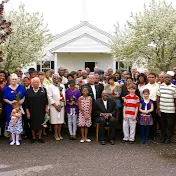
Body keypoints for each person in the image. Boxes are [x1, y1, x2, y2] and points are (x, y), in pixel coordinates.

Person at [25, 77, 48, 143]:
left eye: (37, 82)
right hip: (32, 110)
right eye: (34, 82)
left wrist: (46, 108)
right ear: (32, 83)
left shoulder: (43, 90)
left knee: (41, 123)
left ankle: (40, 137)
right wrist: (27, 112)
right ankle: (34, 137)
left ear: (39, 83)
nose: (35, 83)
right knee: (32, 124)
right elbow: (26, 103)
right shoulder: (28, 91)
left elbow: (46, 100)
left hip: (41, 110)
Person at [3, 73, 25, 138]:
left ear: (17, 80)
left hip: (19, 107)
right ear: (10, 80)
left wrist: (21, 101)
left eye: (15, 79)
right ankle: (11, 137)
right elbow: (4, 98)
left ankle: (19, 136)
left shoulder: (20, 87)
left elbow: (24, 96)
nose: (14, 80)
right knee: (11, 120)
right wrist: (11, 102)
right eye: (13, 79)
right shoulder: (6, 89)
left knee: (19, 120)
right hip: (10, 107)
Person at [157, 74, 176, 144]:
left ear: (171, 79)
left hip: (171, 110)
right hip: (162, 109)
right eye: (165, 77)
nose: (167, 79)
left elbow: (175, 99)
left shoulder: (174, 87)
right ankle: (163, 137)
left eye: (168, 77)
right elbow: (158, 98)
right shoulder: (160, 86)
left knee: (169, 125)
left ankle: (168, 138)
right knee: (162, 124)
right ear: (164, 79)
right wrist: (158, 108)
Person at [47, 74, 65, 141]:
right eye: (54, 78)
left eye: (57, 78)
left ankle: (59, 133)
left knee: (60, 120)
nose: (56, 79)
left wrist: (63, 100)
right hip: (54, 106)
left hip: (61, 105)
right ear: (52, 79)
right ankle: (56, 134)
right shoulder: (50, 86)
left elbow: (64, 95)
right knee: (55, 121)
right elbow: (49, 97)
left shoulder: (62, 86)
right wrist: (55, 106)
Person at [144, 73, 159, 140]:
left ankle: (154, 134)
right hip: (148, 103)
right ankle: (148, 134)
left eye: (152, 77)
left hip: (155, 103)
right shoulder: (146, 86)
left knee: (154, 119)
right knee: (148, 119)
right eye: (149, 77)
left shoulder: (158, 86)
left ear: (155, 78)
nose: (151, 78)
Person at [0, 71, 7, 136]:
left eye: (3, 76)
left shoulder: (7, 85)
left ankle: (3, 133)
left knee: (4, 118)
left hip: (6, 104)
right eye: (0, 75)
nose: (1, 77)